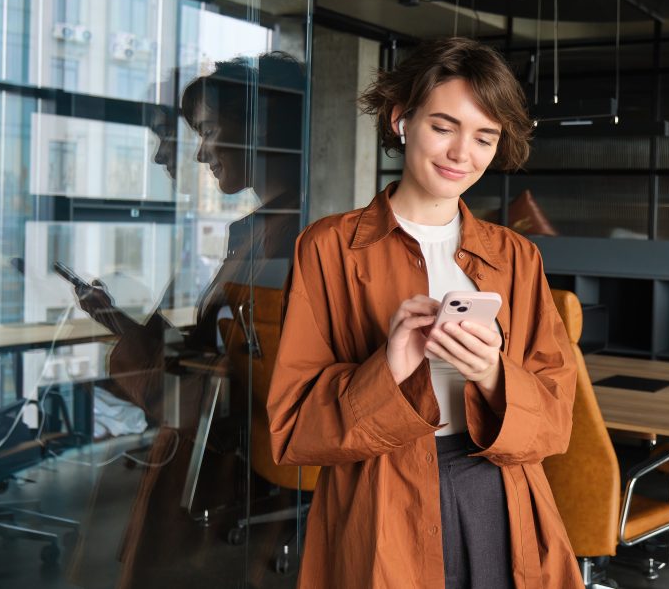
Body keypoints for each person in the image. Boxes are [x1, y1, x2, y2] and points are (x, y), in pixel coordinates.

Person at [267, 37, 581, 588]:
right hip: (380, 489)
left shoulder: (516, 256)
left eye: (484, 137)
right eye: (444, 127)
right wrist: (387, 367)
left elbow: (555, 422)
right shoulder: (328, 248)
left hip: (497, 488)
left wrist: (490, 374)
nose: (463, 153)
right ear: (401, 120)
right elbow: (293, 427)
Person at [66, 53, 306, 588]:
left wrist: (133, 352)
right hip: (216, 471)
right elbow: (218, 352)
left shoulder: (289, 241)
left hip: (224, 478)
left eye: (209, 131)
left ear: (260, 129)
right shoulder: (261, 233)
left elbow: (221, 383)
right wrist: (118, 321)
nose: (199, 152)